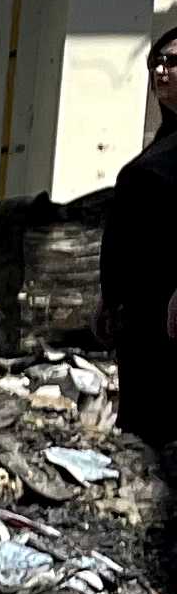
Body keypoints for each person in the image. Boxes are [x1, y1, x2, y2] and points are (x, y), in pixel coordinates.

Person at [113, 27, 177, 443]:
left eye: (173, 61)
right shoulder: (163, 142)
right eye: (157, 62)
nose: (161, 70)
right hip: (139, 316)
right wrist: (108, 293)